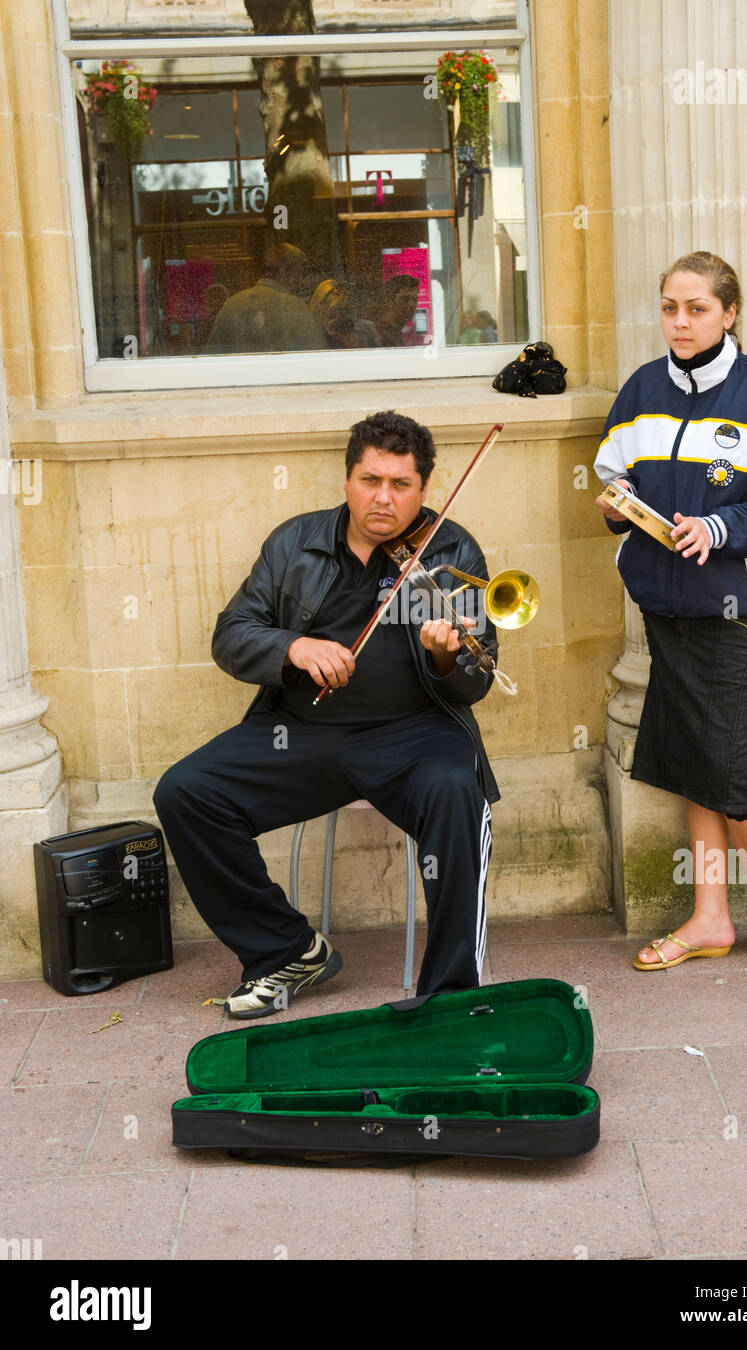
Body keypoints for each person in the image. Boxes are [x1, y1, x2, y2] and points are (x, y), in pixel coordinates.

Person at [153, 411, 499, 1019]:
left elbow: (476, 682)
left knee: (455, 791)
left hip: (415, 735)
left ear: (425, 489)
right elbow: (231, 635)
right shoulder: (296, 542)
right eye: (370, 480)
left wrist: (447, 659)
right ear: (347, 479)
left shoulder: (451, 548)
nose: (383, 499)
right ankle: (285, 948)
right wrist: (293, 647)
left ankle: (448, 997)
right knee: (184, 792)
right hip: (299, 733)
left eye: (401, 485)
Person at [593, 251, 747, 978]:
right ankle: (710, 918)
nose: (679, 322)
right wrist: (614, 504)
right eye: (668, 307)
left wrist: (716, 530)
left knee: (728, 761)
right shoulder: (640, 388)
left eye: (695, 308)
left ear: (728, 313)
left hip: (737, 614)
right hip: (665, 611)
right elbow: (611, 472)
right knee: (692, 760)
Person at [204, 244, 326, 354]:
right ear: (287, 271)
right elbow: (316, 358)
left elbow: (212, 355)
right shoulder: (297, 307)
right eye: (301, 272)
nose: (301, 281)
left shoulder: (231, 304)